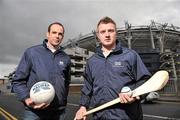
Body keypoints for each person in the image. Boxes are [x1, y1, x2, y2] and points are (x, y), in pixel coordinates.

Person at [74, 17, 151, 120]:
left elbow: (145, 80)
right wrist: (83, 107)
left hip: (127, 116)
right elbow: (87, 88)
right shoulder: (92, 61)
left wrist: (133, 93)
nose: (107, 35)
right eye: (103, 32)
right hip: (99, 117)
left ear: (116, 33)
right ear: (98, 36)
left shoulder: (130, 55)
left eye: (110, 30)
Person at [12, 22, 71, 120]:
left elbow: (66, 82)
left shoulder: (66, 58)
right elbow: (18, 81)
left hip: (58, 112)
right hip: (34, 112)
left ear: (63, 36)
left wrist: (62, 100)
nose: (57, 36)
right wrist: (26, 98)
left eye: (60, 34)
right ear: (47, 34)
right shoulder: (32, 52)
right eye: (54, 32)